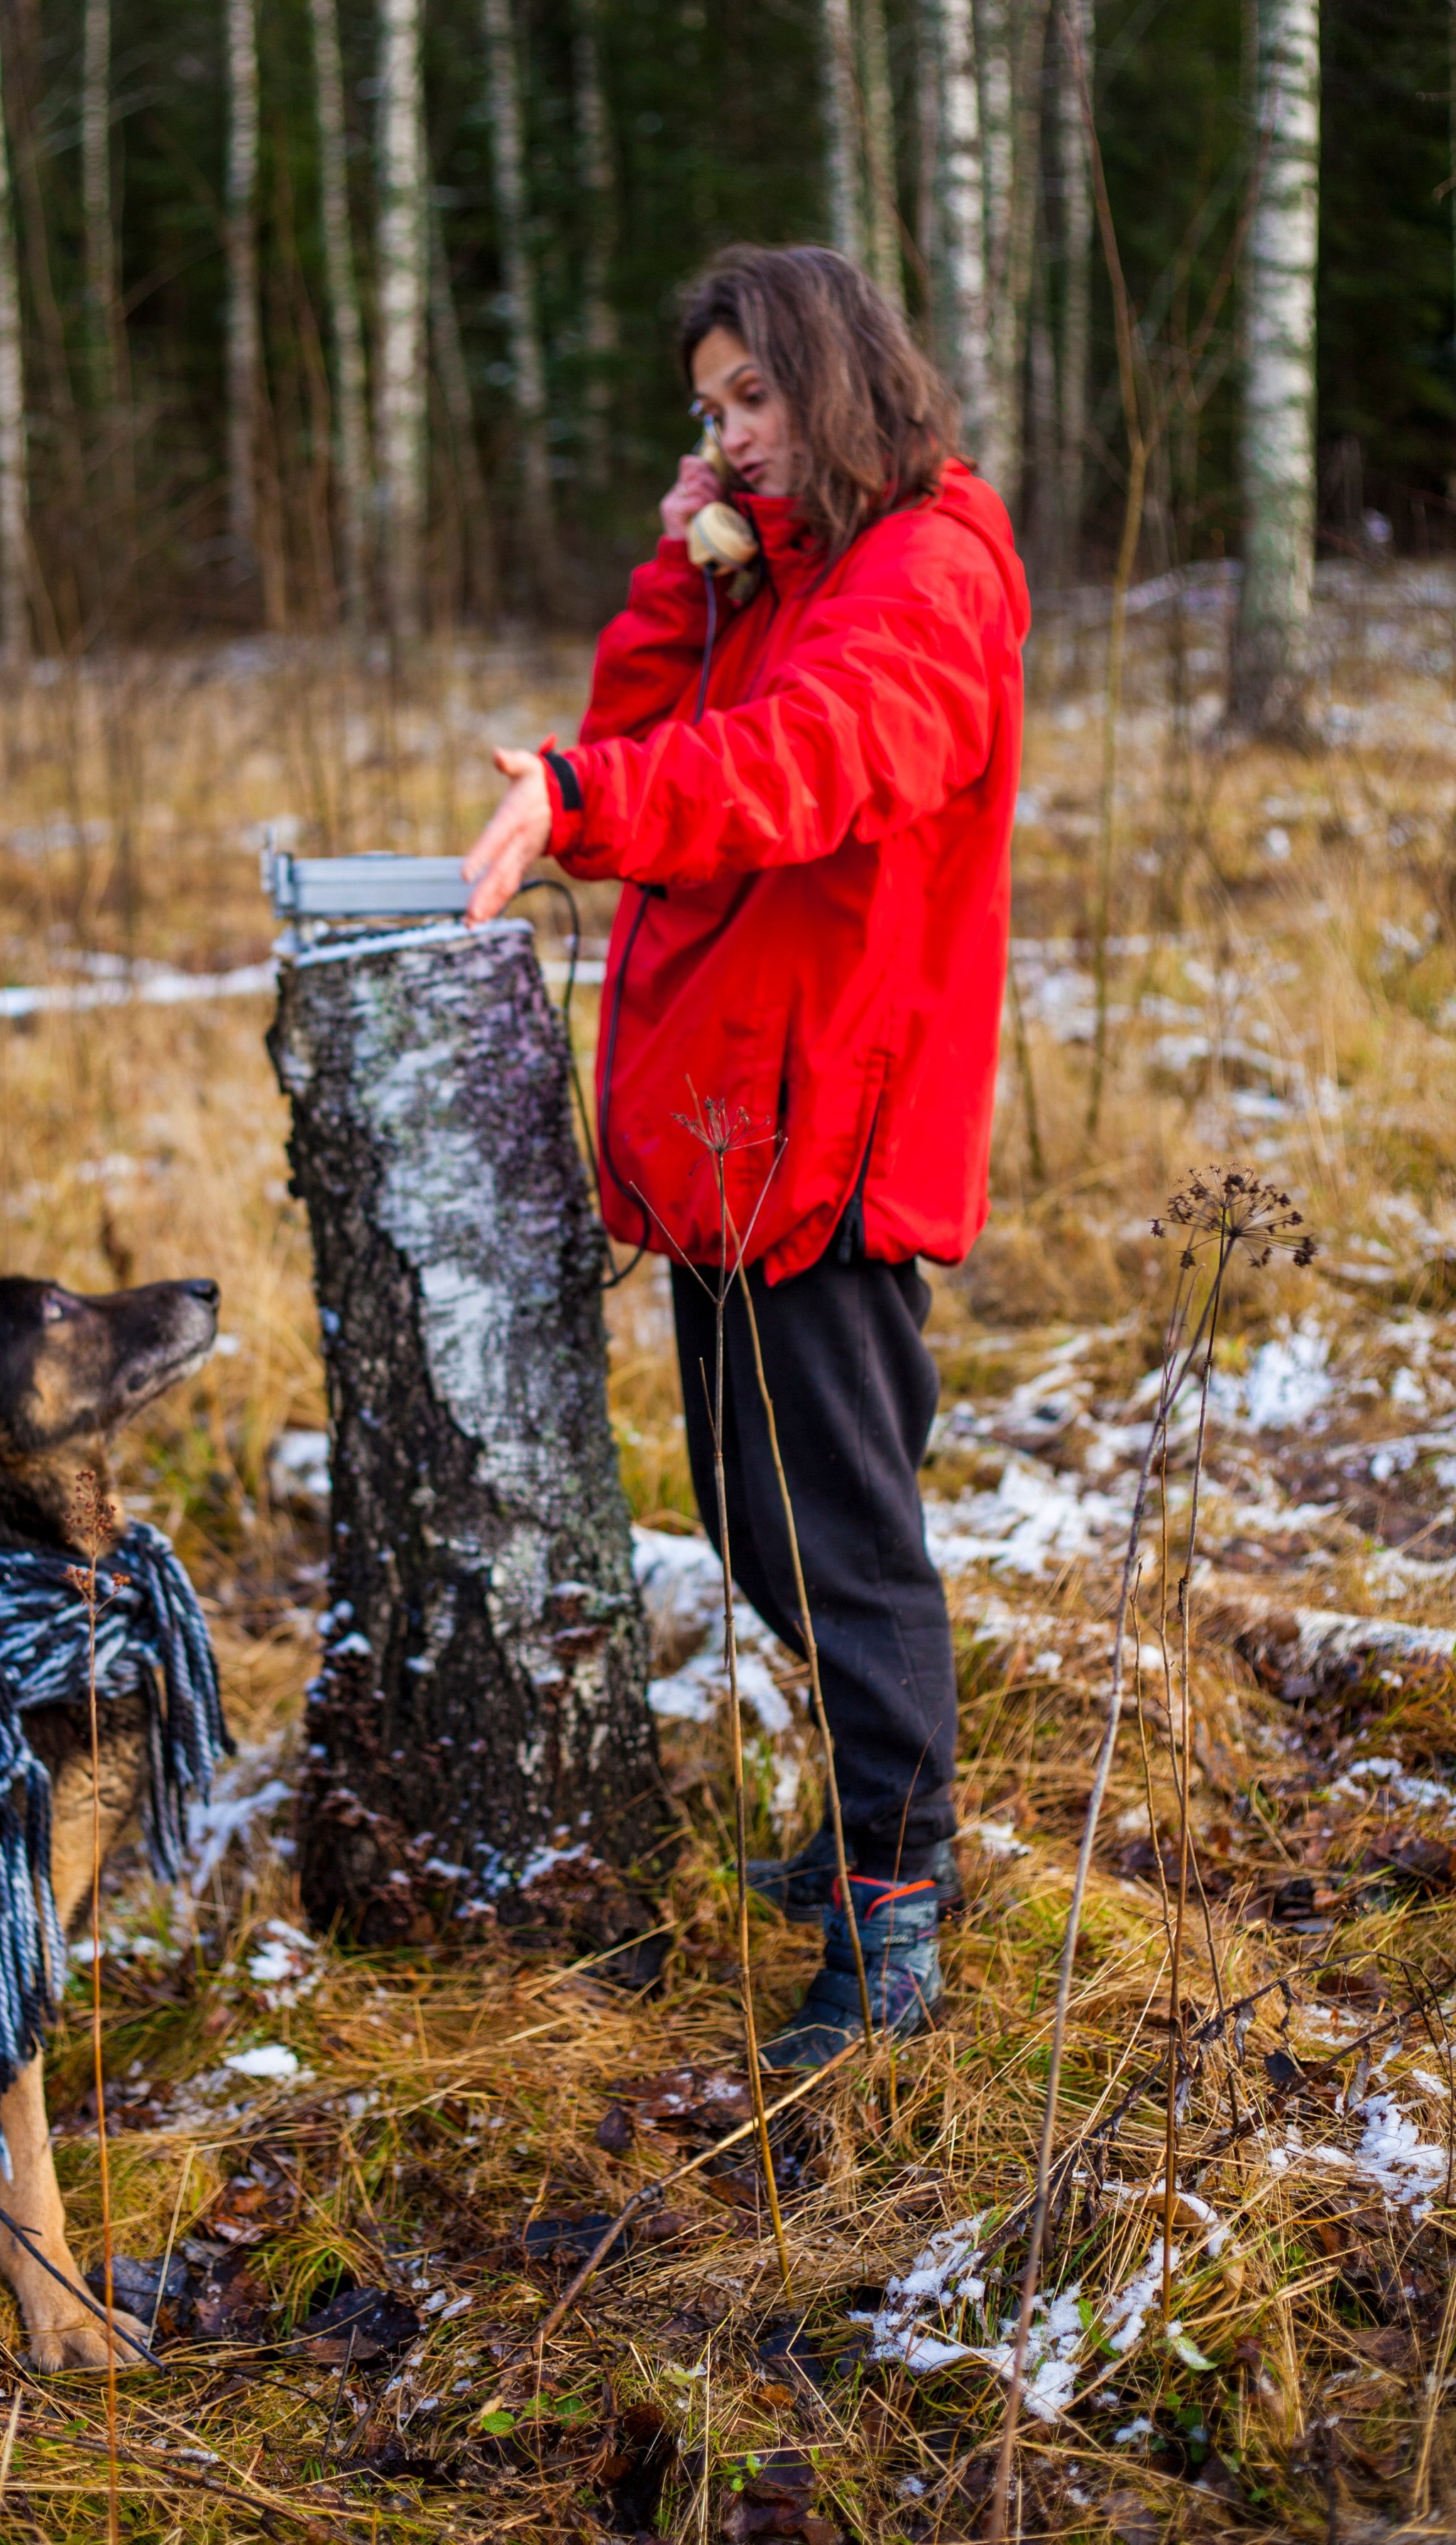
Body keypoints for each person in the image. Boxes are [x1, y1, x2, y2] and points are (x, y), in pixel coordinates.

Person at [461, 242, 1029, 2065]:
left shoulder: (923, 573)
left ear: (836, 376)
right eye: (706, 412)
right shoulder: (770, 576)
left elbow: (806, 764)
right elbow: (644, 763)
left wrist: (586, 797)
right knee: (753, 1509)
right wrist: (679, 563)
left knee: (841, 1542)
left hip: (829, 1130)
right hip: (731, 1134)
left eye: (754, 400)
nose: (729, 437)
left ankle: (896, 1900)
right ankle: (870, 1831)